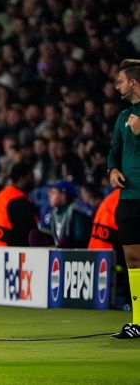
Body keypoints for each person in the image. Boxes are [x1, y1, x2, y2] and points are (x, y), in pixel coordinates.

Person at [108, 58, 140, 339]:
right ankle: (138, 321)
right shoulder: (123, 117)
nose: (117, 85)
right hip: (129, 195)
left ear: (133, 82)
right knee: (132, 258)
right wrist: (112, 169)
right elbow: (114, 151)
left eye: (120, 80)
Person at [0, 162, 38, 246]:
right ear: (21, 178)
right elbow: (28, 232)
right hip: (9, 252)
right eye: (31, 177)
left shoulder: (2, 196)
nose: (33, 180)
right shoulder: (18, 200)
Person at [45, 179, 92, 248]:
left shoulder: (76, 212)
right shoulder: (54, 211)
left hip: (75, 256)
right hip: (60, 254)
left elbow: (80, 241)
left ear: (63, 196)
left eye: (54, 192)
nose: (50, 195)